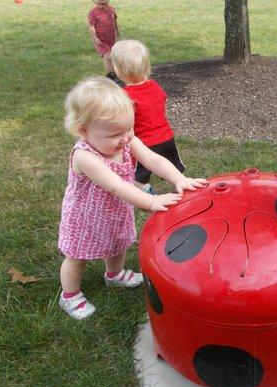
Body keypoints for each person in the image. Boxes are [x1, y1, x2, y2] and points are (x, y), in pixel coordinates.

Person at [58, 76, 206, 320]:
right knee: (77, 257)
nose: (126, 137)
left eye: (130, 128)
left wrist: (178, 179)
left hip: (114, 211)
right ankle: (70, 295)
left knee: (118, 243)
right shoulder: (85, 157)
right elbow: (116, 186)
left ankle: (114, 274)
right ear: (85, 131)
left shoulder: (126, 141)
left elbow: (153, 159)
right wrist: (149, 202)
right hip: (85, 218)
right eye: (116, 133)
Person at [110, 39, 185, 194]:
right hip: (166, 138)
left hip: (144, 143)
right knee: (174, 168)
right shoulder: (155, 86)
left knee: (139, 175)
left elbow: (124, 121)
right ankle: (182, 187)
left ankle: (145, 191)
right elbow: (163, 99)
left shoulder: (126, 97)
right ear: (147, 67)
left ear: (118, 71)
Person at [87, 0, 119, 82]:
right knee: (107, 56)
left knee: (112, 55)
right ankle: (109, 75)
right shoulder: (93, 13)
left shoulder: (111, 9)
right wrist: (95, 37)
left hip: (111, 38)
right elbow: (91, 26)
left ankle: (113, 73)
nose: (102, 1)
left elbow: (114, 21)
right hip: (101, 40)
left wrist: (116, 31)